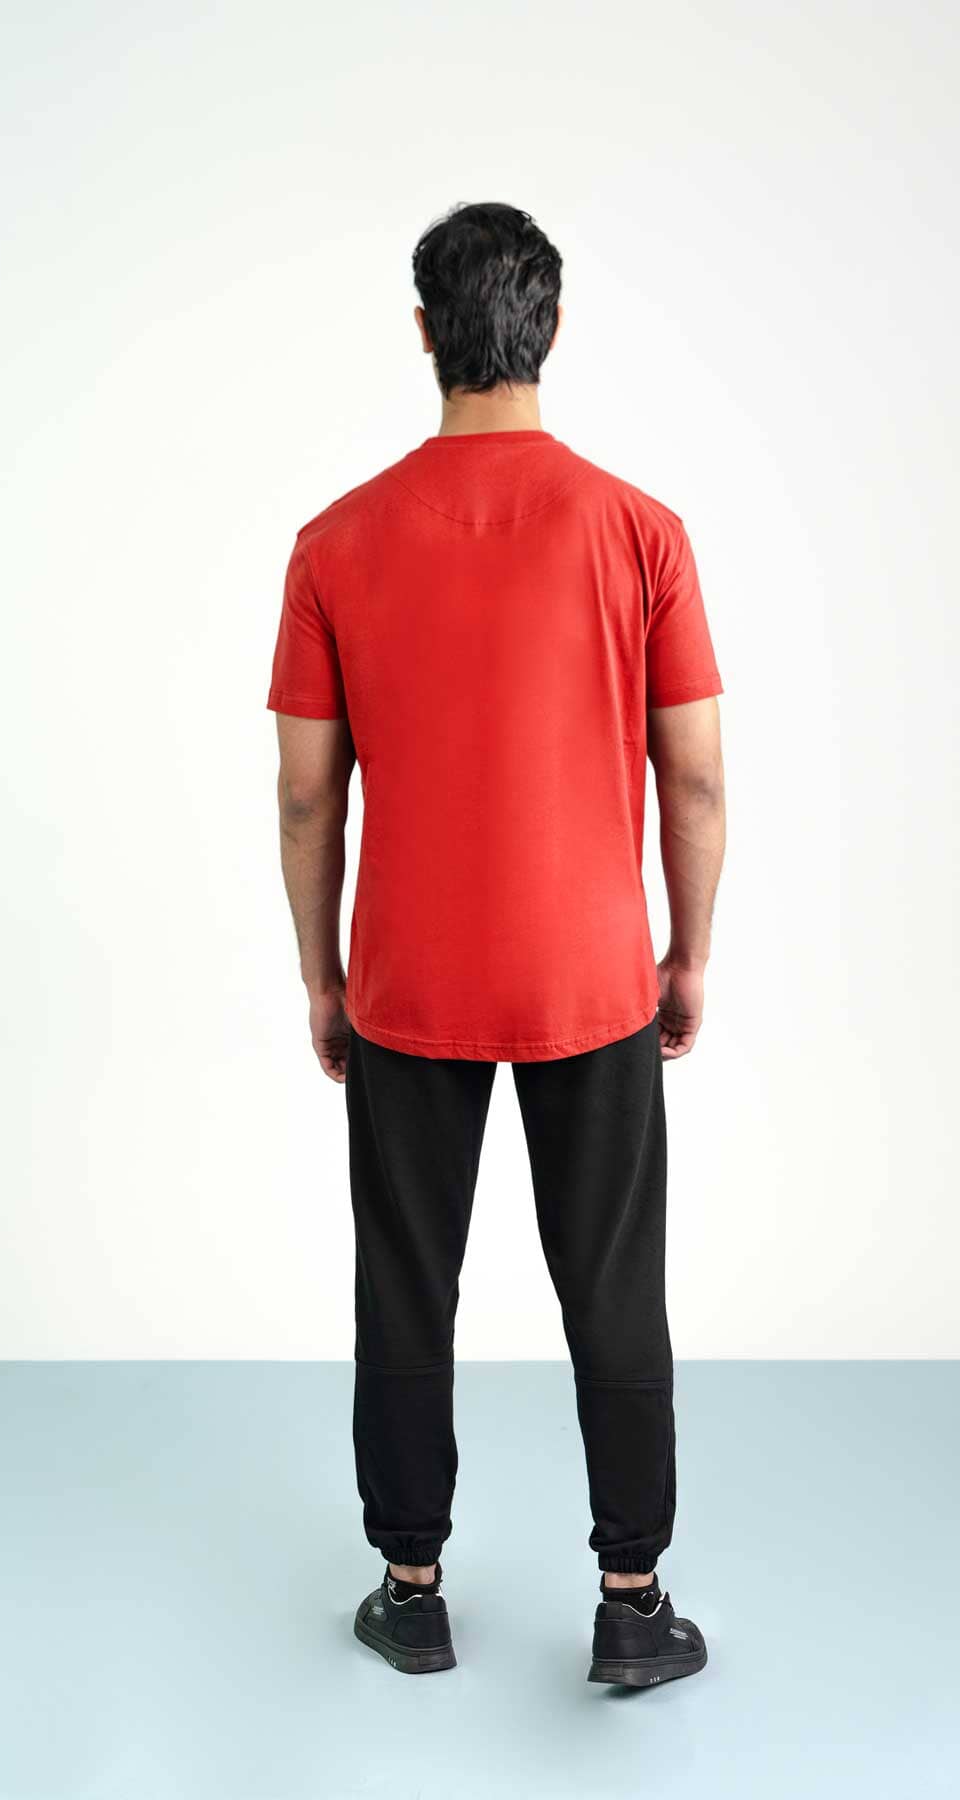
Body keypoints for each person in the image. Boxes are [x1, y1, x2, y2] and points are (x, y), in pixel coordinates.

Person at [267, 202, 726, 1686]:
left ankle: (411, 1588)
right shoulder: (642, 531)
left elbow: (306, 793)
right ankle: (632, 1601)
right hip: (594, 973)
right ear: (553, 328)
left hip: (410, 980)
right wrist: (687, 955)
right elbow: (694, 778)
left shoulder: (336, 542)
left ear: (425, 333)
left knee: (408, 1283)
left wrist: (324, 978)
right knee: (614, 1288)